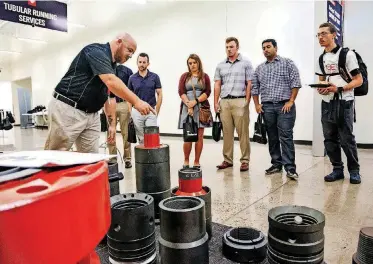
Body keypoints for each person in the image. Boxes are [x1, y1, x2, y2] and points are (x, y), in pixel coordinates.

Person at [44, 33, 154, 153]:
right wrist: (136, 101)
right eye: (129, 50)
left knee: (90, 159)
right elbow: (111, 81)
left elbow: (110, 97)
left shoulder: (112, 67)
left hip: (91, 115)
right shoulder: (95, 51)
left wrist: (111, 125)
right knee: (55, 156)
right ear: (119, 42)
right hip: (68, 109)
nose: (131, 55)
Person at [316, 22, 363, 184]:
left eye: (324, 33)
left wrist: (340, 89)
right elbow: (321, 80)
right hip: (327, 103)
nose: (320, 37)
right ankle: (337, 169)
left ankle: (354, 171)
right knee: (329, 138)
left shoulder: (347, 55)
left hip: (344, 102)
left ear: (334, 35)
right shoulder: (321, 57)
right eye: (318, 34)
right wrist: (321, 88)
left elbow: (359, 80)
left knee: (346, 138)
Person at [252, 39, 302, 180]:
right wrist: (257, 104)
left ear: (276, 48)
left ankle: (290, 168)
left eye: (268, 47)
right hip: (267, 107)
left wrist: (291, 101)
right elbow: (255, 88)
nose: (265, 50)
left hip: (284, 106)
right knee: (272, 137)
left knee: (285, 136)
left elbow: (296, 83)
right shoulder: (260, 68)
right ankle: (276, 164)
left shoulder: (287, 63)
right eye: (263, 48)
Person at [214, 37, 254, 172]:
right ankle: (227, 160)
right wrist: (215, 102)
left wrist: (247, 101)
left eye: (231, 47)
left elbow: (250, 83)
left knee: (243, 132)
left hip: (240, 100)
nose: (229, 49)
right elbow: (217, 84)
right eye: (227, 47)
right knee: (227, 132)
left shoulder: (246, 63)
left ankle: (245, 160)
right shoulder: (220, 65)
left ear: (237, 47)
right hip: (224, 102)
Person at [178, 54, 213, 169]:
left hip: (201, 107)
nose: (192, 65)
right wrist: (188, 104)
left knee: (199, 136)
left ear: (198, 63)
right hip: (187, 107)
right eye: (190, 63)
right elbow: (181, 91)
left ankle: (197, 161)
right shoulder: (184, 76)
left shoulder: (205, 76)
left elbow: (207, 92)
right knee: (188, 135)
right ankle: (186, 160)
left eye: (194, 62)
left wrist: (196, 101)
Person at [128, 53, 163, 144]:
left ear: (148, 63)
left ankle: (151, 158)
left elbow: (160, 94)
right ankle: (144, 158)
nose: (142, 64)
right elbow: (129, 97)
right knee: (142, 140)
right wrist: (131, 113)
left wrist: (156, 111)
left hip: (151, 111)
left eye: (144, 62)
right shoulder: (132, 78)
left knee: (151, 138)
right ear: (137, 63)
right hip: (137, 112)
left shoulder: (155, 77)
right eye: (140, 62)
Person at [107, 64, 133, 168]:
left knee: (126, 132)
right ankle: (112, 158)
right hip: (109, 103)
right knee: (110, 132)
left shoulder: (127, 71)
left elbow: (131, 88)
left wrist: (130, 105)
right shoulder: (106, 70)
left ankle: (127, 159)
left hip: (123, 104)